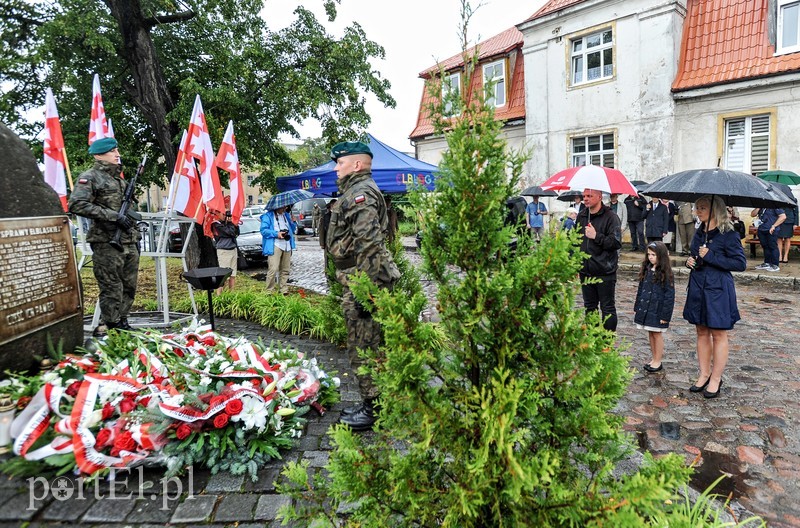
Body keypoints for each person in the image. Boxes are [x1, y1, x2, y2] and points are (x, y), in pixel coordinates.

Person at [326, 141, 401, 431]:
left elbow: (369, 244)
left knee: (365, 346)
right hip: (359, 278)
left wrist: (366, 293)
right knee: (368, 344)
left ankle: (374, 409)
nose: (336, 168)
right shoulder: (357, 191)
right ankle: (373, 401)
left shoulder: (360, 195)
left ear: (357, 165)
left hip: (364, 280)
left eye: (340, 163)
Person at [68, 137, 141, 337]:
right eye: (112, 151)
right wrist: (113, 216)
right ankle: (111, 325)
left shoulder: (120, 180)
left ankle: (122, 322)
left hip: (128, 240)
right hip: (106, 242)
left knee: (129, 285)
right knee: (111, 286)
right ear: (99, 155)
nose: (117, 154)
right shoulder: (90, 177)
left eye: (117, 150)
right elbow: (76, 204)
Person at [684, 195, 747, 399]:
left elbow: (739, 263)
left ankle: (716, 379)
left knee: (718, 333)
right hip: (698, 287)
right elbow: (696, 256)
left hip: (718, 289)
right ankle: (703, 374)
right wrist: (691, 261)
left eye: (702, 208)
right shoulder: (699, 232)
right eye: (697, 207)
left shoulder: (729, 234)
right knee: (701, 331)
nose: (698, 211)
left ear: (715, 210)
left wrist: (710, 256)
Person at [576, 188, 622, 331]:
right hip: (586, 271)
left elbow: (615, 242)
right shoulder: (582, 215)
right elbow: (576, 241)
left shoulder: (611, 217)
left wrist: (596, 236)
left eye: (589, 196)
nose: (585, 199)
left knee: (607, 308)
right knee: (590, 308)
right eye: (584, 196)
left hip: (604, 271)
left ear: (600, 197)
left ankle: (607, 344)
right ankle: (592, 341)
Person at [634, 241, 675, 373]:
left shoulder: (666, 274)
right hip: (647, 309)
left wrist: (665, 316)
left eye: (654, 255)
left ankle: (658, 360)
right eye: (649, 254)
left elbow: (669, 297)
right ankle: (653, 358)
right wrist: (637, 306)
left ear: (661, 256)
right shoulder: (646, 270)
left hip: (657, 311)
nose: (651, 257)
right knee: (650, 333)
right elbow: (641, 289)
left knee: (657, 334)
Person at [261, 204, 296, 293]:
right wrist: (277, 234)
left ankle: (283, 289)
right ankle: (269, 291)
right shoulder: (267, 216)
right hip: (275, 244)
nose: (285, 208)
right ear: (276, 206)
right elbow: (263, 231)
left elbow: (293, 229)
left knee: (285, 269)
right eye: (283, 207)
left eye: (286, 207)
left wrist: (293, 222)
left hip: (287, 245)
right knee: (273, 269)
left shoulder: (286, 215)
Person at [750, 206, 786, 272]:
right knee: (765, 246)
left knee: (772, 246)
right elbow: (752, 214)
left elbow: (783, 217)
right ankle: (767, 263)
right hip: (762, 229)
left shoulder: (775, 206)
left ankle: (775, 265)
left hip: (771, 230)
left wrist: (774, 226)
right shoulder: (762, 207)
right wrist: (758, 208)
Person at [212, 210, 239, 294]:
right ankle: (219, 295)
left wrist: (235, 224)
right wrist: (230, 224)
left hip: (232, 250)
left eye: (225, 214)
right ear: (217, 214)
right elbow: (229, 232)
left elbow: (237, 233)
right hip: (224, 251)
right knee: (223, 276)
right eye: (223, 214)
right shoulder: (216, 224)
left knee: (233, 274)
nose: (224, 216)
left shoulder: (228, 223)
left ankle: (232, 294)